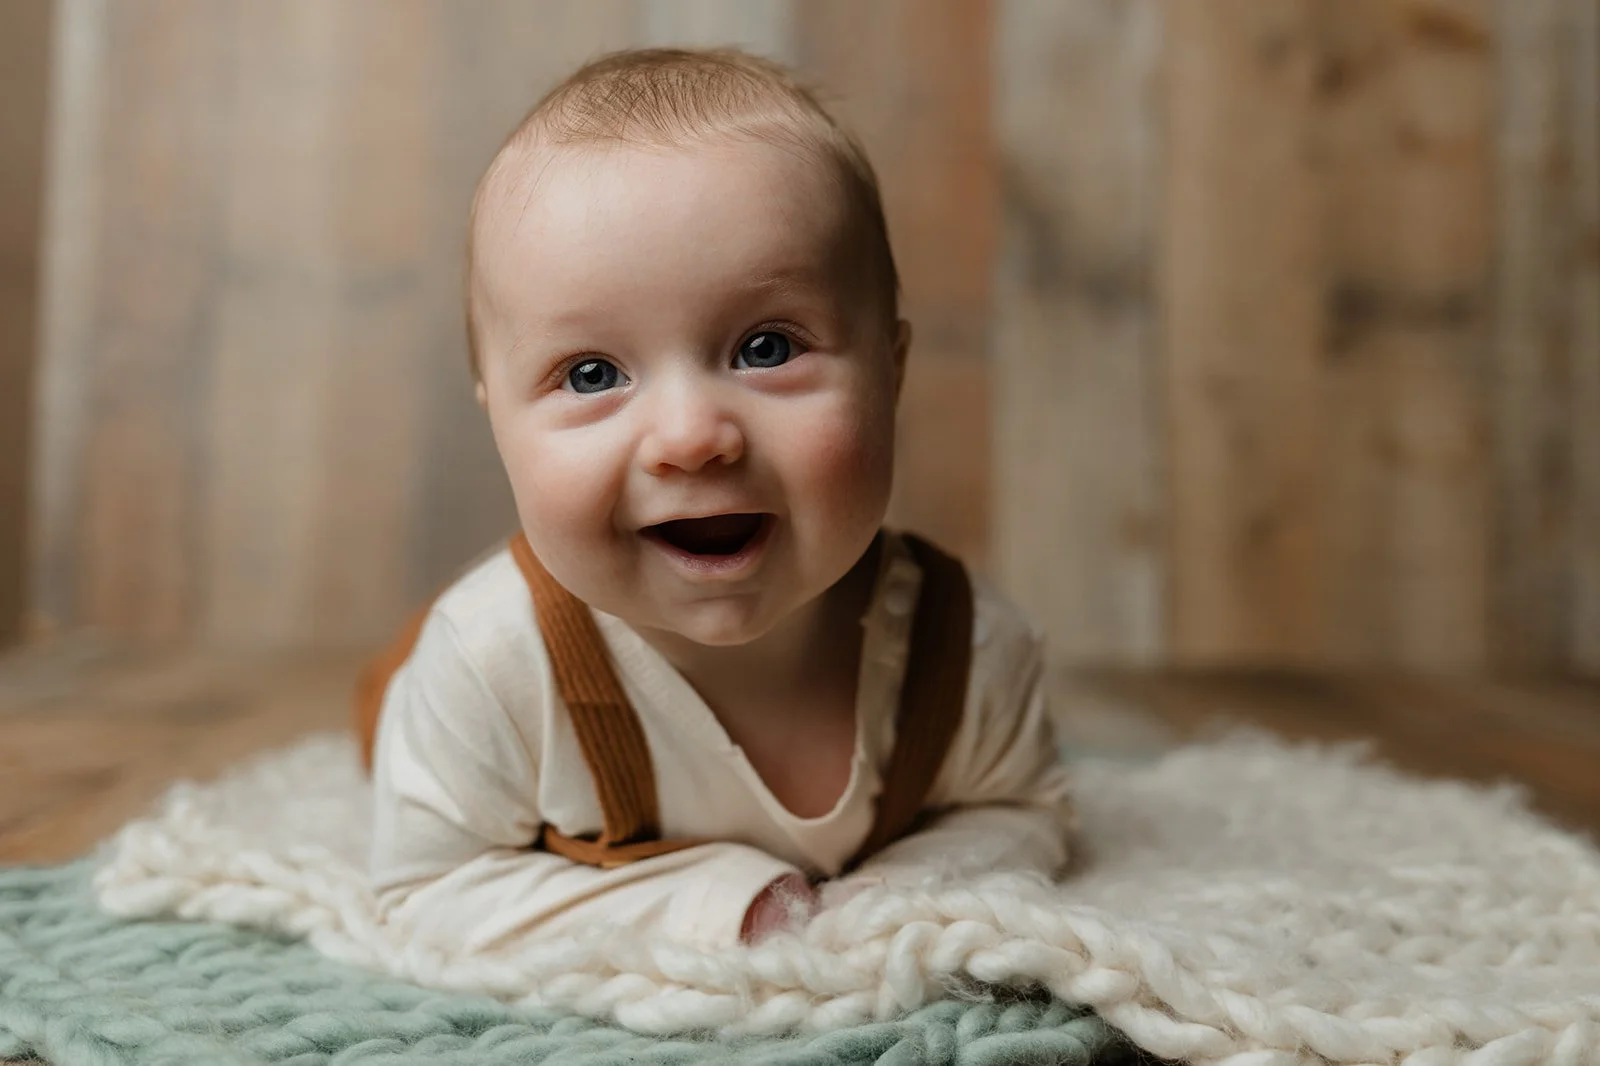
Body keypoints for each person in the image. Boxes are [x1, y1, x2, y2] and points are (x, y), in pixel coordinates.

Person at [360, 46, 1074, 953]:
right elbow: (427, 890)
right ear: (497, 418)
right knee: (389, 720)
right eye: (592, 372)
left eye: (768, 349)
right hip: (441, 698)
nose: (692, 435)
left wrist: (894, 900)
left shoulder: (966, 654)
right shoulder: (489, 665)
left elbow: (1026, 809)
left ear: (889, 373)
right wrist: (724, 906)